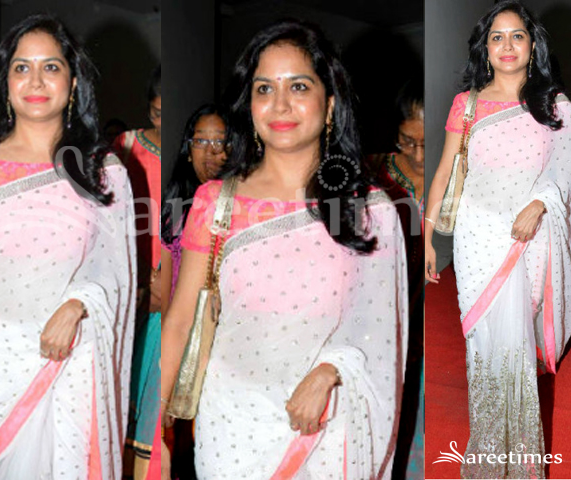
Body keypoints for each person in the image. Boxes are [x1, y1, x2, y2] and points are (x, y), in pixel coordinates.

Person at [161, 19, 407, 479]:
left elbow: (378, 328)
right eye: (264, 89)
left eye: (298, 86)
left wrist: (331, 370)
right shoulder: (216, 201)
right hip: (231, 427)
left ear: (329, 104)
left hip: (327, 422)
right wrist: (162, 424)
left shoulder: (367, 209)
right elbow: (179, 321)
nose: (279, 104)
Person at [0, 14, 136, 479]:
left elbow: (114, 266)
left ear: (73, 81)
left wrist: (79, 303)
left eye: (51, 67)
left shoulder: (102, 171)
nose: (36, 81)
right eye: (21, 68)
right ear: (4, 83)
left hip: (71, 355)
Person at [424, 2, 571, 478]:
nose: (507, 46)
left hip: (527, 237)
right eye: (497, 37)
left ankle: (521, 462)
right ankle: (489, 454)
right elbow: (444, 171)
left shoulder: (556, 105)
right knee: (485, 344)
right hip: (476, 236)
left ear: (533, 44)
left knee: (516, 348)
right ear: (484, 48)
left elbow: (565, 168)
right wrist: (427, 237)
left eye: (517, 36)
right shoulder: (466, 104)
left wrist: (541, 203)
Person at [160, 103, 229, 479]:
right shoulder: (174, 210)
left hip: (227, 353)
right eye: (201, 141)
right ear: (188, 150)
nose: (212, 152)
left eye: (222, 141)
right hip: (183, 343)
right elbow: (168, 296)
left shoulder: (246, 205)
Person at [370, 76, 424, 479]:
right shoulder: (371, 174)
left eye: (427, 143)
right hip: (380, 327)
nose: (419, 155)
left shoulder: (460, 173)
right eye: (408, 142)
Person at [113, 65, 162, 480]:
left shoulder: (200, 149)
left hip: (176, 282)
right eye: (159, 113)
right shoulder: (126, 146)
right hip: (133, 280)